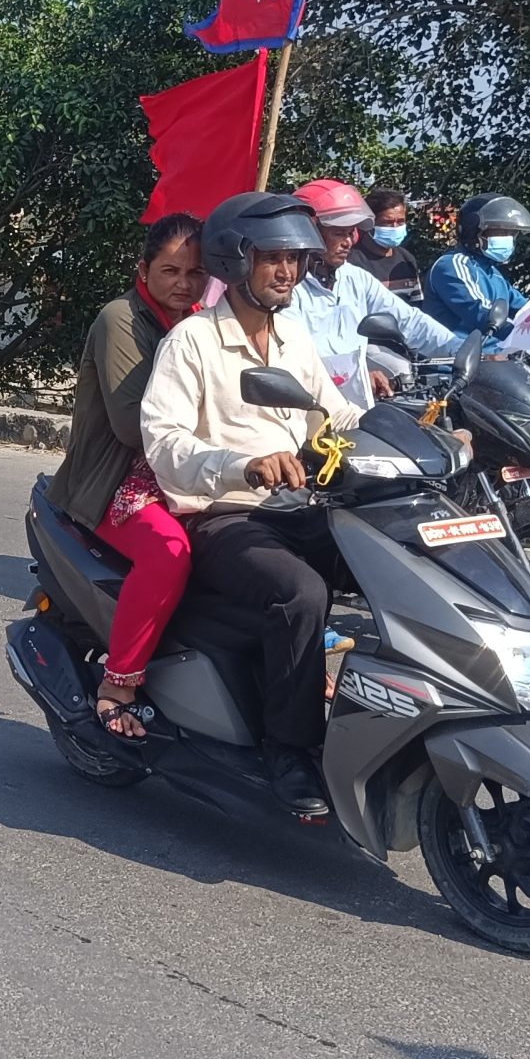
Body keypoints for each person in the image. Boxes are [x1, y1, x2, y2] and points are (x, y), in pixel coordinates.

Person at [139, 191, 355, 820]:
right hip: (224, 515)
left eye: (295, 258)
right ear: (236, 260)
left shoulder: (293, 340)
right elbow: (165, 442)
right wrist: (244, 464)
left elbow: (336, 414)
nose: (287, 271)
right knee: (302, 594)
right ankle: (289, 747)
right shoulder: (193, 342)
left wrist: (414, 432)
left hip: (300, 507)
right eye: (272, 257)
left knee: (397, 558)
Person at [48, 214, 205, 736]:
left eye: (196, 273)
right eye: (171, 271)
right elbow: (132, 425)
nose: (183, 284)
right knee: (168, 553)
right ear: (144, 270)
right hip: (117, 478)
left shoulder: (203, 325)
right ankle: (119, 683)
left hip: (191, 472)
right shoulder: (121, 320)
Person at [286, 180, 459, 397]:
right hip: (311, 403)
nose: (348, 242)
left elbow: (410, 321)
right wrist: (354, 374)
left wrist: (460, 349)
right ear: (308, 233)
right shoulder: (288, 288)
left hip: (358, 401)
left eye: (351, 232)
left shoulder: (355, 278)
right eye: (339, 233)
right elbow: (295, 357)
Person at [422, 193, 530, 337]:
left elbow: (526, 310)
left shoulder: (492, 273)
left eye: (512, 233)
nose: (508, 238)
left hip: (496, 349)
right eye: (501, 231)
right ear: (474, 231)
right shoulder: (452, 266)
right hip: (460, 349)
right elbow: (482, 314)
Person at [349, 186, 425, 304]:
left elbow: (416, 305)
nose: (395, 227)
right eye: (387, 222)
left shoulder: (406, 259)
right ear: (369, 223)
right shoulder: (352, 262)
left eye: (400, 222)